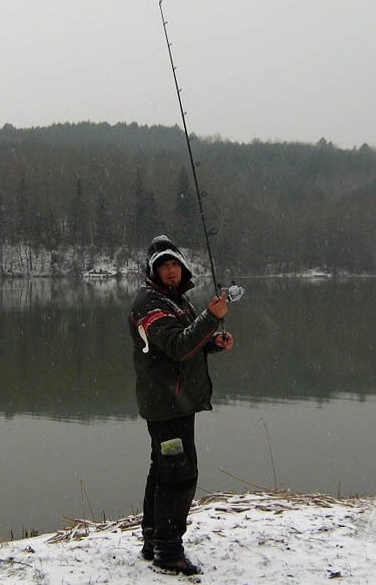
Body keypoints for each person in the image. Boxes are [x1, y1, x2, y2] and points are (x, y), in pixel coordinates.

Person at [128, 234, 234, 576]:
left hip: (177, 402)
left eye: (175, 264)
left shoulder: (176, 301)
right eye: (164, 266)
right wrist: (210, 317)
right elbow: (175, 346)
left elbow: (189, 344)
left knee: (163, 469)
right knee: (178, 473)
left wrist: (212, 341)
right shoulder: (150, 304)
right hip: (166, 405)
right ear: (153, 271)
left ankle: (153, 541)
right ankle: (169, 552)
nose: (172, 270)